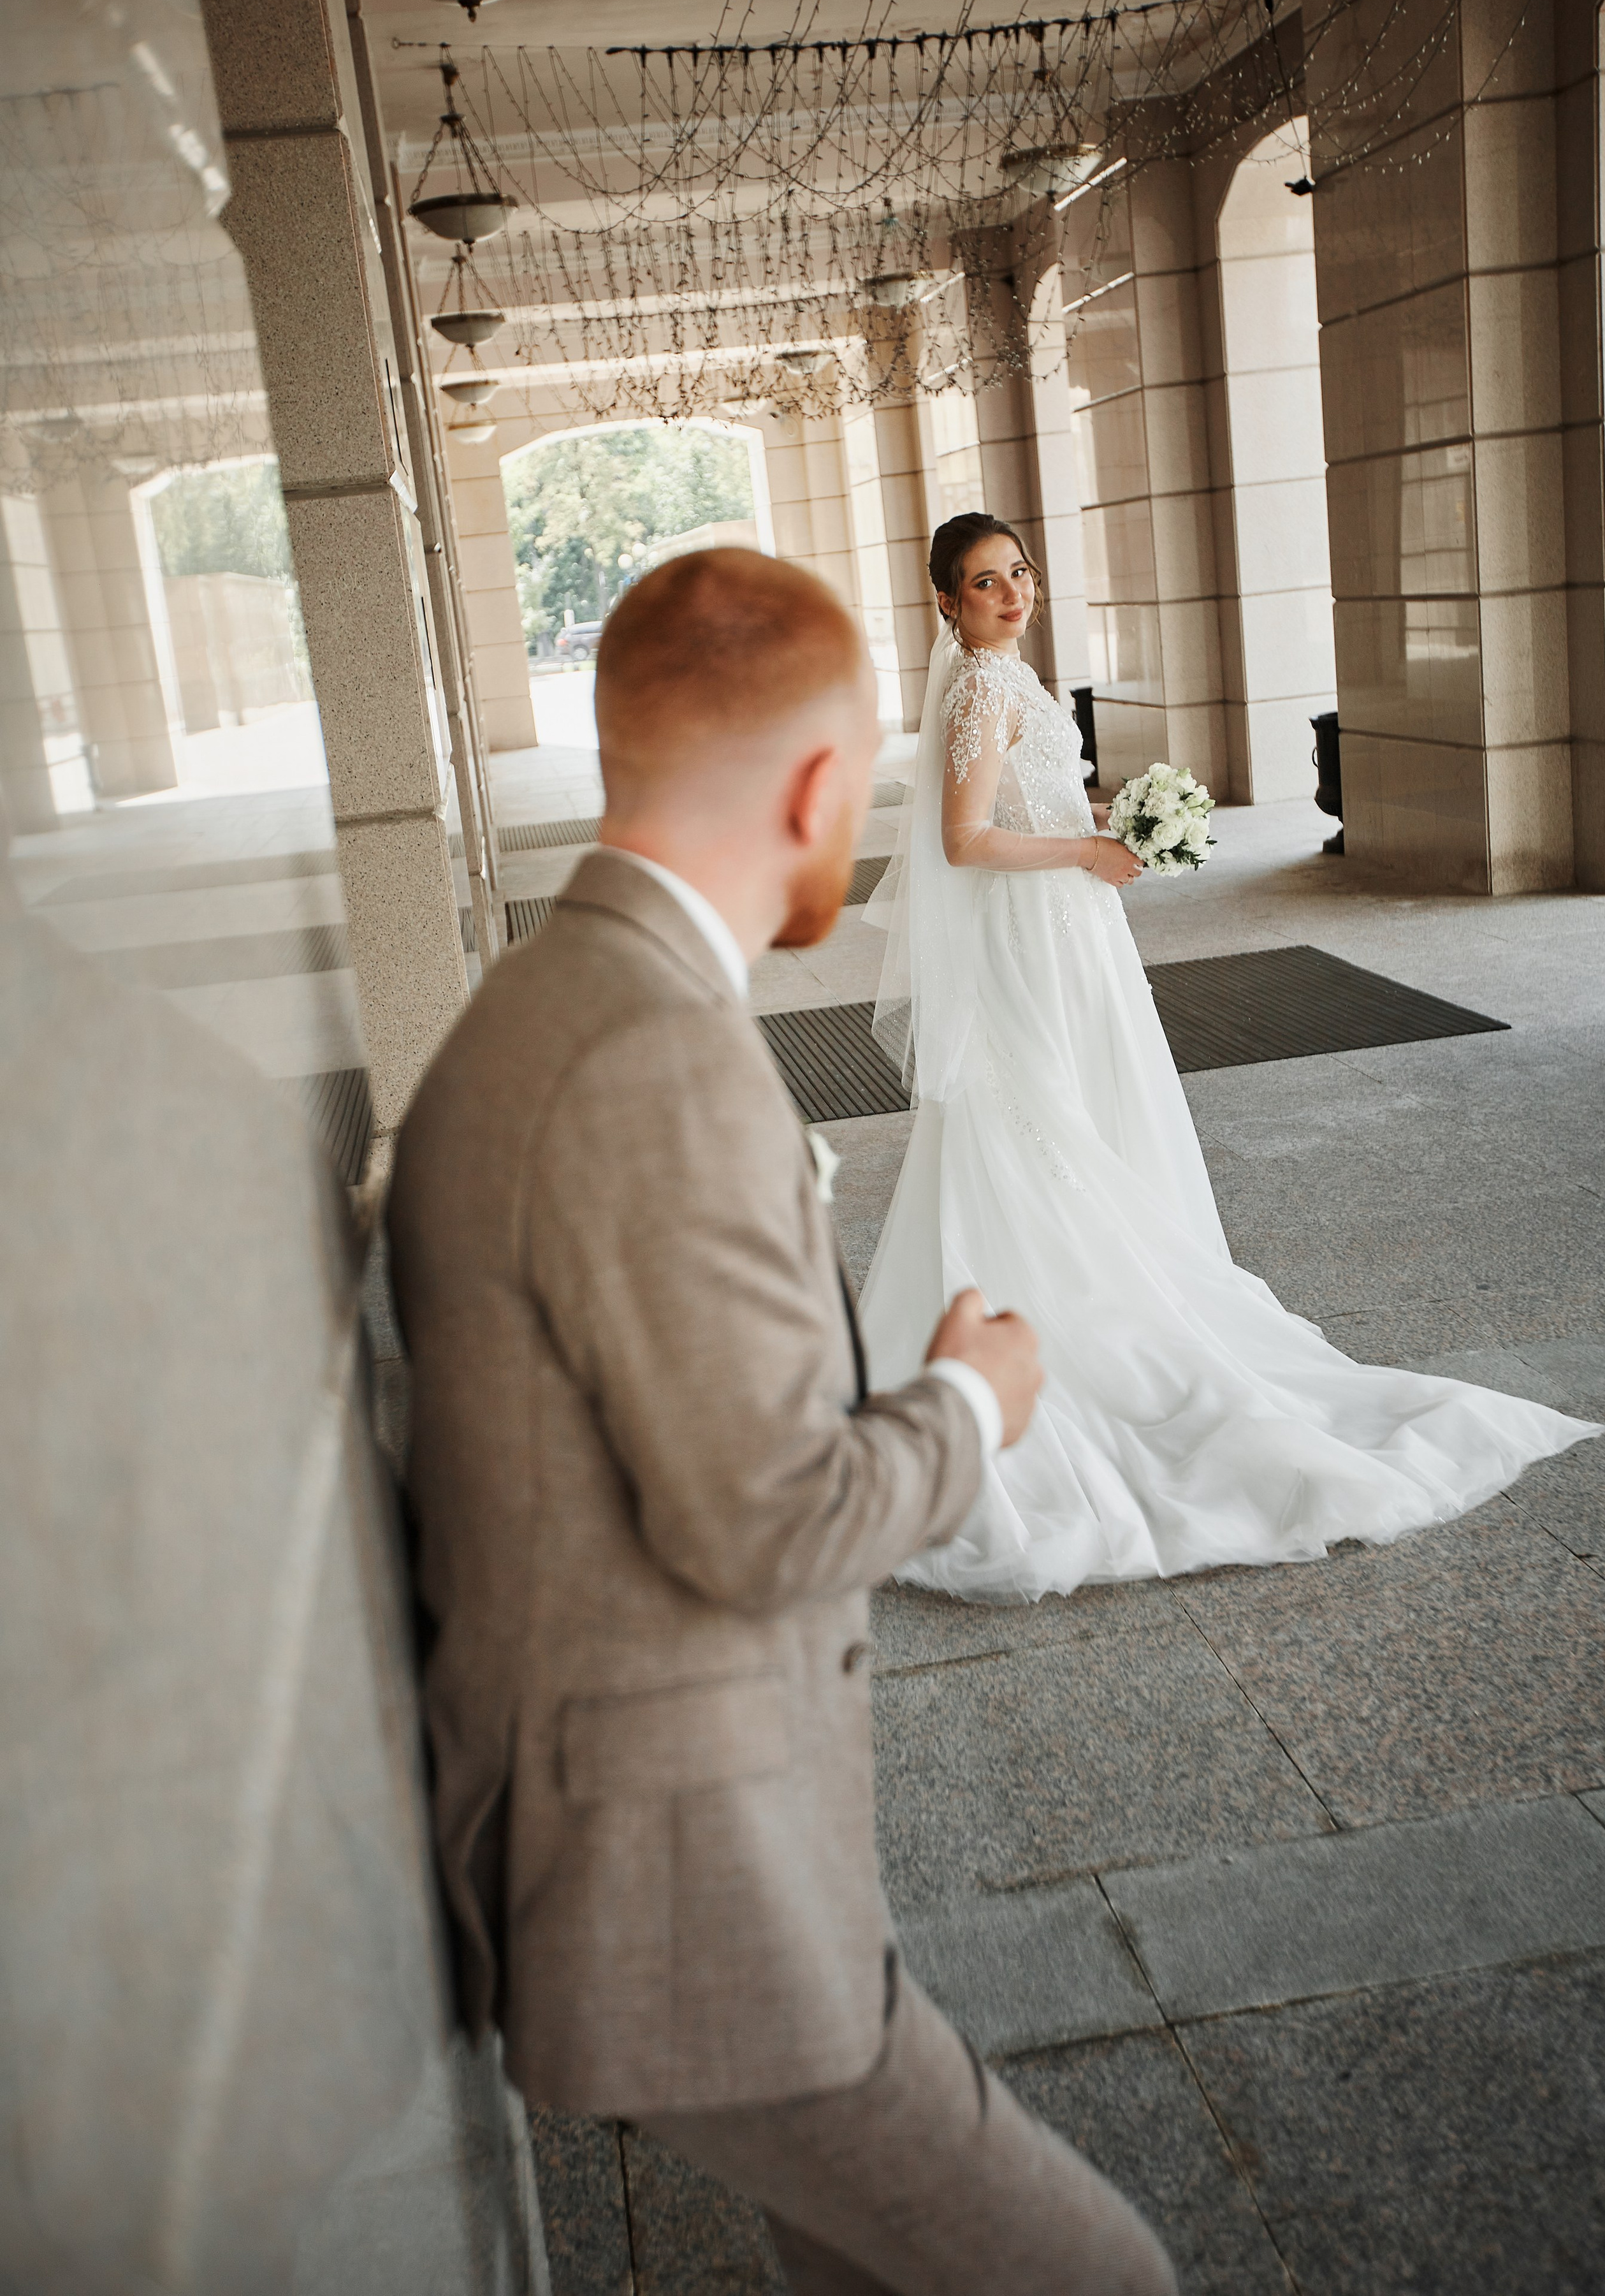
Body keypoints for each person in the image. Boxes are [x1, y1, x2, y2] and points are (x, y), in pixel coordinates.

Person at [386, 549, 1177, 2296]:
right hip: (688, 1893)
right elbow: (768, 1523)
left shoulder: (567, 1002)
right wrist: (977, 1396)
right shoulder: (651, 1054)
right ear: (822, 787)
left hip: (671, 1852)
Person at [859, 511, 1600, 1600]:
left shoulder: (1013, 677)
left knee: (1081, 1111)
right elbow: (964, 841)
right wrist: (1089, 848)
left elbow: (1030, 799)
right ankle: (1062, 1315)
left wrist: (1122, 821)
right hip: (1040, 934)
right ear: (946, 605)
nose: (1013, 594)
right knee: (1039, 1116)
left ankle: (1067, 1297)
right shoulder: (978, 686)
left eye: (1019, 572)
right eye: (985, 584)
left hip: (1074, 924)